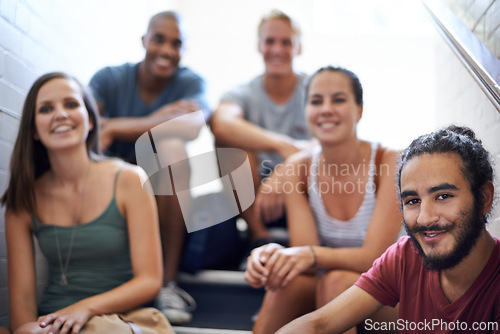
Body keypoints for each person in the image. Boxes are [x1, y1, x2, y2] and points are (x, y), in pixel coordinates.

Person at [276, 125, 500, 334]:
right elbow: (319, 324)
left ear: (484, 198)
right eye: (412, 200)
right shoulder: (406, 255)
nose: (424, 217)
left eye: (443, 196)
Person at [1, 72, 172, 333]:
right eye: (46, 109)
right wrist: (29, 329)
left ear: (90, 120)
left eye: (71, 104)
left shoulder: (130, 180)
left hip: (121, 322)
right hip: (55, 325)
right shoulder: (22, 200)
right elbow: (22, 305)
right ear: (34, 130)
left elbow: (150, 280)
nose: (60, 114)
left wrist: (85, 308)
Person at [243, 66, 402, 333]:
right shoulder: (298, 168)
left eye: (338, 99)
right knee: (287, 283)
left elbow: (376, 258)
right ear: (306, 112)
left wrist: (306, 255)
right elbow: (305, 258)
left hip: (393, 295)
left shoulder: (390, 161)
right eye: (316, 101)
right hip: (328, 290)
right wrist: (273, 256)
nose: (326, 109)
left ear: (359, 110)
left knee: (336, 281)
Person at [88, 11, 208, 323]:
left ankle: (167, 285)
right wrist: (161, 119)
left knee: (172, 148)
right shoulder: (109, 78)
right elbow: (90, 128)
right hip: (110, 185)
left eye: (177, 43)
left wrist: (115, 126)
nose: (168, 50)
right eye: (159, 39)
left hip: (160, 191)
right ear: (144, 40)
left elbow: (193, 125)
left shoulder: (191, 81)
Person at [211, 9, 314, 246]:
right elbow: (222, 124)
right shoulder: (242, 92)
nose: (277, 50)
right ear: (259, 45)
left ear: (298, 48)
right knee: (228, 145)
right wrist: (282, 145)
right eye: (270, 41)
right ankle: (258, 236)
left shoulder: (314, 89)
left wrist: (285, 171)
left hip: (305, 186)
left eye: (286, 42)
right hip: (255, 193)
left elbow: (331, 139)